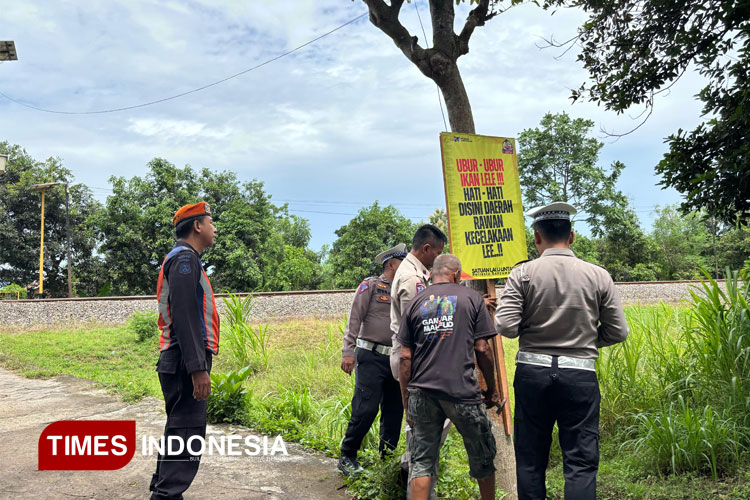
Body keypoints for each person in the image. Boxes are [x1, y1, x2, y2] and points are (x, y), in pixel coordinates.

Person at [495, 202, 629, 500]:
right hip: (579, 374)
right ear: (572, 236)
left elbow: (506, 327)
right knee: (580, 461)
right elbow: (618, 331)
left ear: (537, 236)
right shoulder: (598, 275)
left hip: (532, 374)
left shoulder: (523, 274)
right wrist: (584, 341)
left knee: (530, 460)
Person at [397, 254, 500, 500]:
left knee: (422, 462)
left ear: (433, 274)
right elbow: (482, 349)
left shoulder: (416, 302)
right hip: (462, 392)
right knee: (483, 457)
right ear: (456, 274)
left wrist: (406, 400)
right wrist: (492, 388)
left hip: (422, 393)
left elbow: (404, 358)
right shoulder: (472, 299)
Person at [150, 201, 220, 500]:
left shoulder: (184, 259)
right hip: (184, 361)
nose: (215, 229)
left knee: (179, 433)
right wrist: (198, 369)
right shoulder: (185, 260)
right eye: (211, 222)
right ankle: (166, 495)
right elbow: (186, 316)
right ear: (197, 226)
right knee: (187, 435)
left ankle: (165, 493)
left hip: (180, 360)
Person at [338, 243, 408, 475]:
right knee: (365, 408)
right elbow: (354, 319)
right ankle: (347, 455)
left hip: (395, 360)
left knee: (394, 412)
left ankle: (386, 460)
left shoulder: (404, 288)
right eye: (402, 262)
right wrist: (347, 352)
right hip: (371, 357)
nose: (406, 266)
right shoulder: (371, 286)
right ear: (391, 264)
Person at [389, 224, 447, 499]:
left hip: (414, 359)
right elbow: (423, 324)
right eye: (438, 252)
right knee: (425, 429)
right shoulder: (413, 279)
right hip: (414, 360)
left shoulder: (417, 273)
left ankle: (410, 470)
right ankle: (417, 482)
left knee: (423, 426)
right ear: (426, 249)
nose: (439, 258)